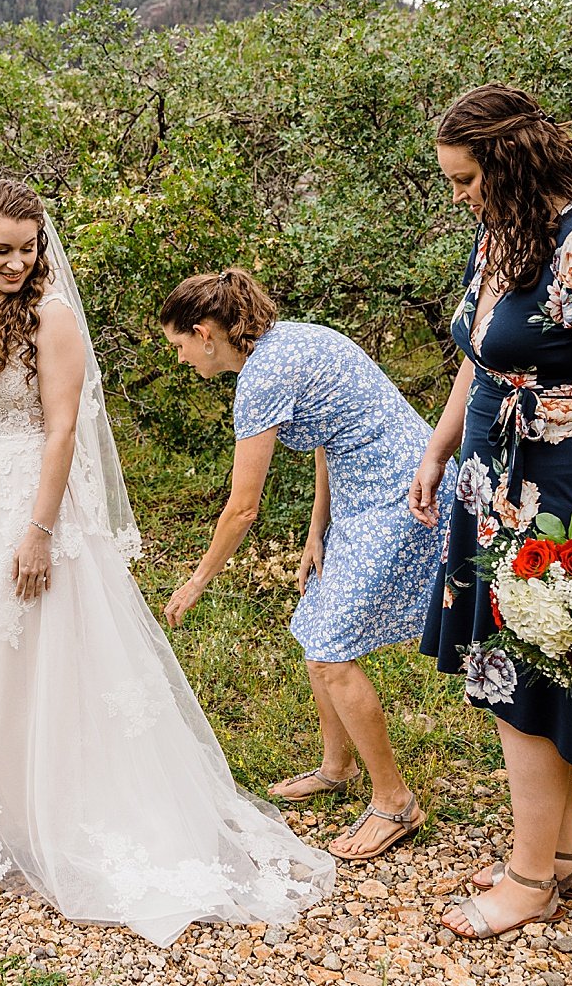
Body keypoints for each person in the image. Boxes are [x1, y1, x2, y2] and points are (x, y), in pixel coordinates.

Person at [0, 180, 334, 947]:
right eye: (1, 249)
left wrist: (40, 528)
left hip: (28, 501)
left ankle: (61, 803)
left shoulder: (54, 318)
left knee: (38, 649)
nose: (17, 261)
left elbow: (62, 430)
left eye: (28, 246)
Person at [410, 83, 572, 939]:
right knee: (512, 673)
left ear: (510, 165)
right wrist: (440, 447)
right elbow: (482, 355)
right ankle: (563, 857)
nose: (458, 196)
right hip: (492, 484)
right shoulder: (502, 232)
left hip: (564, 500)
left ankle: (529, 881)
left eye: (464, 179)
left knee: (532, 680)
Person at [158, 270, 454, 863]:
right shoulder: (292, 338)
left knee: (329, 651)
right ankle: (336, 765)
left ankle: (394, 802)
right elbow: (328, 432)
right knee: (315, 621)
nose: (182, 359)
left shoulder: (261, 378)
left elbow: (242, 508)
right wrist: (319, 527)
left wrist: (197, 580)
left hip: (402, 494)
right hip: (366, 491)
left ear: (204, 334)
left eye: (180, 346)